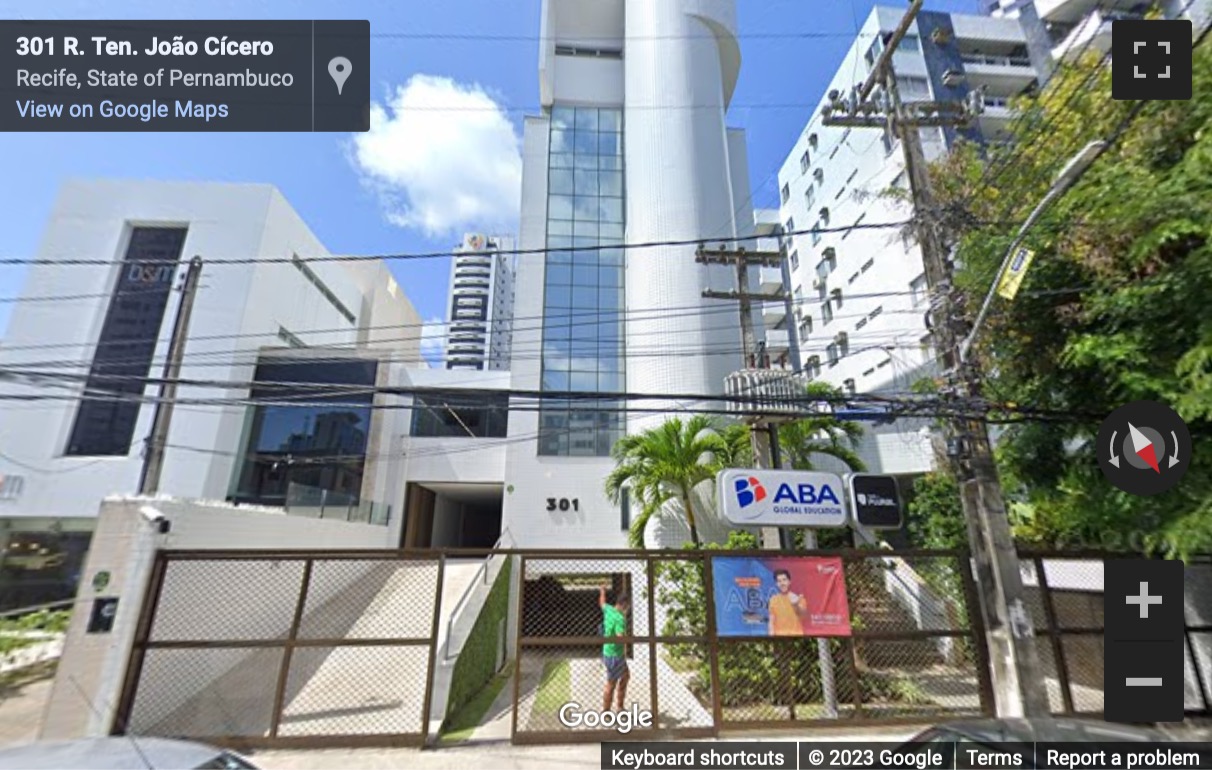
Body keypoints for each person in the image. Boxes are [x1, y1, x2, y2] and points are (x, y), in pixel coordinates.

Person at [599, 586, 630, 711]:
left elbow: (602, 603)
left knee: (626, 676)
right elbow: (619, 636)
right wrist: (627, 641)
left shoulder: (609, 610)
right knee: (611, 684)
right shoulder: (619, 618)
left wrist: (602, 591)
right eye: (627, 607)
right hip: (615, 656)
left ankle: (620, 706)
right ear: (624, 604)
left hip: (607, 652)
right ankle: (606, 711)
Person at [767, 568, 808, 636]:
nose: (782, 583)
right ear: (776, 584)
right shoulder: (773, 600)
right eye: (779, 581)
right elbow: (771, 622)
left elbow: (803, 615)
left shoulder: (799, 598)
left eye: (784, 580)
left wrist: (795, 604)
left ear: (789, 581)